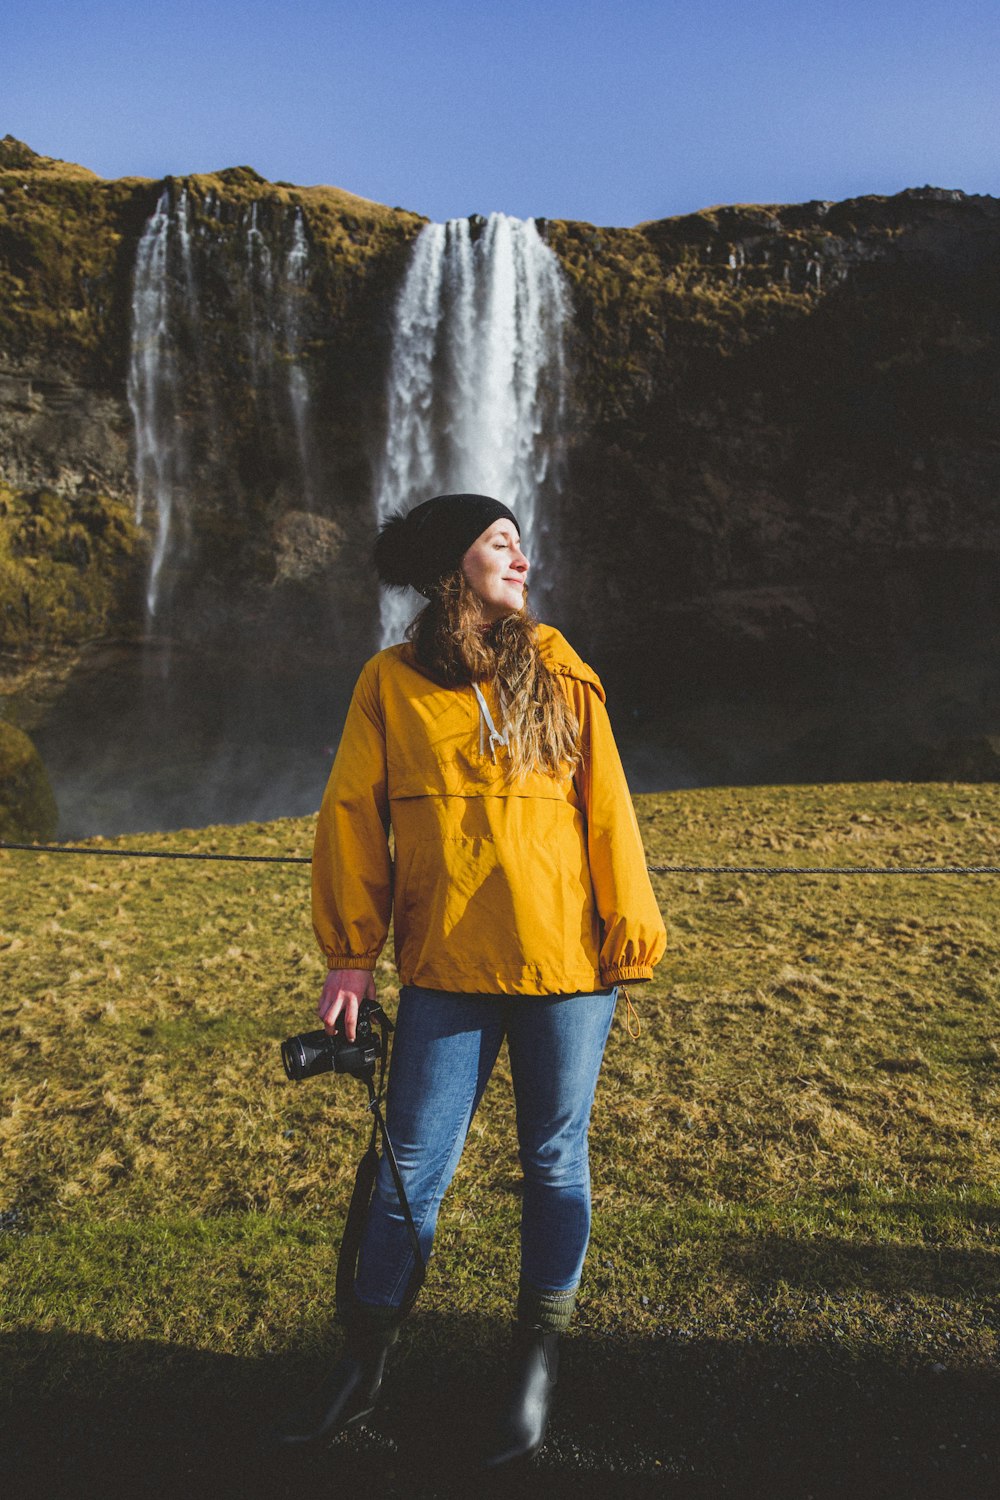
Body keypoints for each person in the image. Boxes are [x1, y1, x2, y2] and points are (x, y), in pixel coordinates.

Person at [273, 493, 665, 1467]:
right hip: (446, 964)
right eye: (500, 543)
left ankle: (531, 1375)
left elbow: (608, 812)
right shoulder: (390, 683)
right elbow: (351, 814)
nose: (521, 557)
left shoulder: (564, 674)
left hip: (567, 966)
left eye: (521, 543)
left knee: (552, 1162)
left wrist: (629, 932)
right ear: (455, 564)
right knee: (411, 1170)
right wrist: (349, 951)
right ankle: (358, 1370)